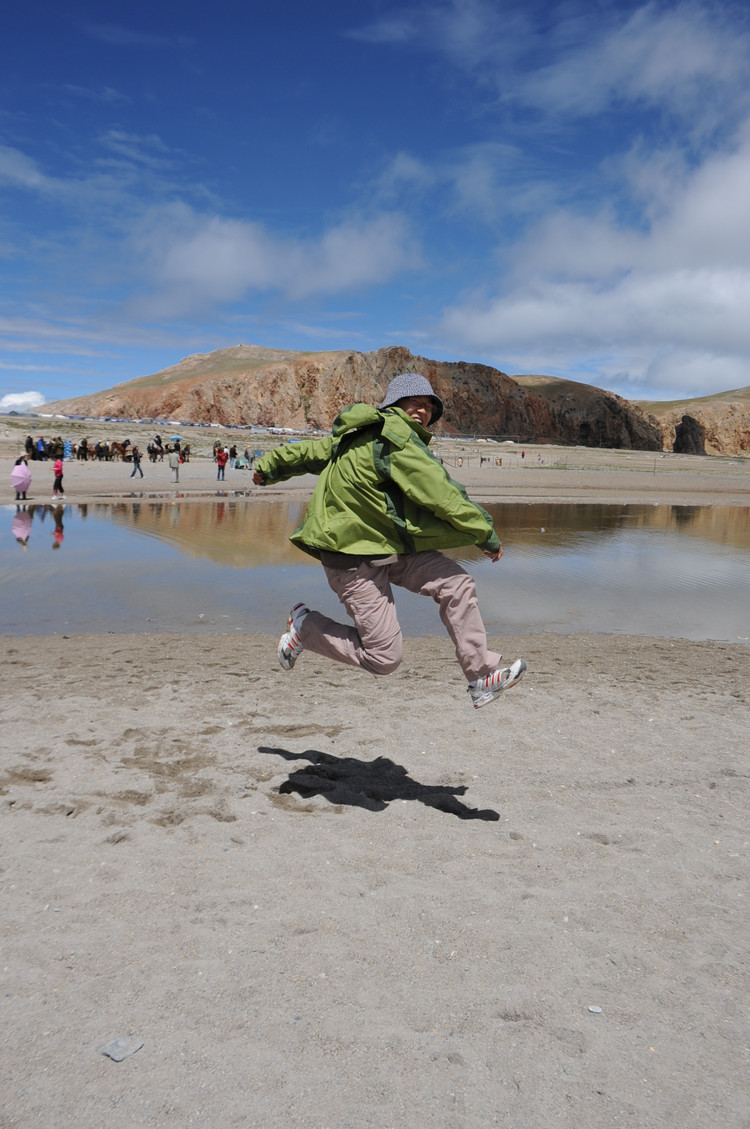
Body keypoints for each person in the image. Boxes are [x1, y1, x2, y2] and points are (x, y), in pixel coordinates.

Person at [252, 373, 526, 709]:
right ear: (394, 404)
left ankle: (481, 675)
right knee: (384, 658)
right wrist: (484, 533)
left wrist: (270, 467)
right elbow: (441, 493)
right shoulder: (393, 436)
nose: (422, 411)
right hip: (351, 560)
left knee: (456, 584)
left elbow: (310, 452)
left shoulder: (361, 434)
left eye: (428, 407)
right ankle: (306, 628)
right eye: (415, 402)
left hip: (388, 547)